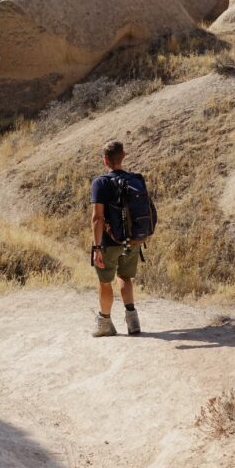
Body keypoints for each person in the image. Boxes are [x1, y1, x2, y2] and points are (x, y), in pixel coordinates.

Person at [90, 140, 142, 337]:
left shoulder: (100, 183)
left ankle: (105, 324)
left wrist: (97, 248)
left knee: (105, 282)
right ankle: (133, 321)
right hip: (132, 240)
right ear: (124, 156)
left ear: (105, 160)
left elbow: (97, 218)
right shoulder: (135, 179)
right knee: (125, 277)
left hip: (109, 243)